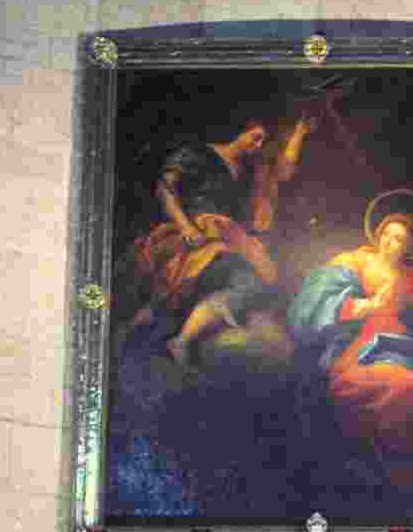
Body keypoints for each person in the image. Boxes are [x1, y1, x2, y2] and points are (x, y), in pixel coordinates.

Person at [287, 200, 413, 488]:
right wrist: (366, 305)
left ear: (408, 249)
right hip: (356, 345)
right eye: (386, 233)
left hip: (397, 346)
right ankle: (393, 472)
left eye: (398, 239)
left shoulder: (410, 279)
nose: (389, 241)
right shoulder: (355, 261)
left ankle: (406, 472)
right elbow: (318, 293)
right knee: (402, 386)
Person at [132, 117, 315, 366]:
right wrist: (186, 227)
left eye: (263, 141)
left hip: (227, 237)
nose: (258, 145)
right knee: (244, 280)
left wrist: (298, 134)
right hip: (195, 233)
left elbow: (283, 171)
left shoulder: (249, 169)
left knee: (258, 282)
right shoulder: (198, 154)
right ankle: (180, 340)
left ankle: (177, 334)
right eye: (255, 136)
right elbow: (165, 189)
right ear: (240, 131)